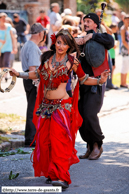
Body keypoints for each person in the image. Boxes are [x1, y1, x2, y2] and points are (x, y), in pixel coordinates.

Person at [10, 29, 109, 189]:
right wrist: (19, 74)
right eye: (59, 42)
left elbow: (83, 79)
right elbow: (37, 74)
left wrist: (99, 81)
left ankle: (62, 177)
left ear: (70, 46)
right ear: (55, 42)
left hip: (62, 107)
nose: (61, 46)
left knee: (58, 141)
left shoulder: (72, 61)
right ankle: (52, 172)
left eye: (64, 43)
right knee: (46, 142)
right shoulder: (47, 58)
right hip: (46, 107)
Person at [76, 13, 114, 160]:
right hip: (81, 83)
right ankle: (89, 145)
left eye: (89, 21)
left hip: (96, 82)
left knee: (90, 114)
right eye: (84, 21)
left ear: (95, 24)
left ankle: (98, 143)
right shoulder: (81, 38)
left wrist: (91, 36)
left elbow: (111, 40)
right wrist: (77, 40)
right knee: (80, 116)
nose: (85, 23)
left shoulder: (102, 38)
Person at [20, 23, 46, 147]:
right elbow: (33, 68)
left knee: (32, 109)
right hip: (32, 80)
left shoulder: (29, 44)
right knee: (33, 109)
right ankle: (31, 139)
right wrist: (38, 84)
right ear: (40, 33)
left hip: (29, 79)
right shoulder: (32, 47)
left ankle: (31, 137)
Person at [0, 12, 17, 81]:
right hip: (0, 48)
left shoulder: (9, 26)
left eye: (5, 18)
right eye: (2, 18)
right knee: (1, 63)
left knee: (6, 62)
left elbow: (13, 37)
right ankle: (3, 74)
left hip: (8, 47)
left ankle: (5, 75)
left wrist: (15, 47)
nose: (4, 20)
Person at [120, 14, 129, 88]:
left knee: (126, 66)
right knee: (124, 65)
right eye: (127, 20)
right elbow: (123, 41)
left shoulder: (127, 28)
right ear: (124, 20)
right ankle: (122, 83)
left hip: (128, 49)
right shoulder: (123, 29)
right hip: (125, 50)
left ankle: (124, 82)